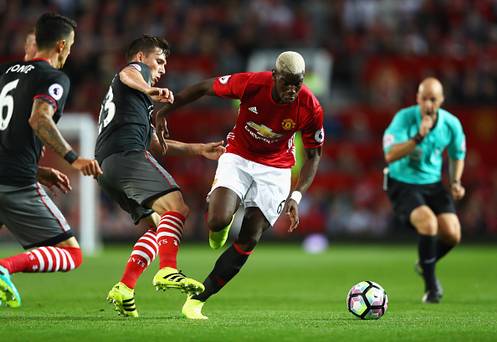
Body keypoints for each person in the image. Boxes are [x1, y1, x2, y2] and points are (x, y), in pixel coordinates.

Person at [155, 51, 324, 319]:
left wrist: (297, 196)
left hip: (277, 169)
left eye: (298, 82)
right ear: (275, 75)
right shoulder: (251, 84)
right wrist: (164, 111)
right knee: (217, 220)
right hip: (239, 156)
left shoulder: (310, 107)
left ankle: (198, 299)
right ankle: (219, 226)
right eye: (287, 82)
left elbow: (314, 156)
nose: (292, 89)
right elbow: (202, 87)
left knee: (251, 235)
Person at [95, 35, 224, 317]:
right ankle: (167, 270)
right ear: (141, 57)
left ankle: (125, 287)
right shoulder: (135, 74)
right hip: (126, 155)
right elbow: (127, 71)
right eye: (159, 61)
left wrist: (200, 148)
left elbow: (156, 145)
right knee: (177, 207)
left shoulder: (136, 100)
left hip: (107, 167)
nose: (162, 69)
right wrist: (149, 89)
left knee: (157, 228)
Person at [0, 13, 102, 308]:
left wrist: (39, 169)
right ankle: (5, 267)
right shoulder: (53, 77)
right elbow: (39, 118)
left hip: (10, 171)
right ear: (60, 45)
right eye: (70, 46)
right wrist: (73, 158)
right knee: (72, 254)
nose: (70, 52)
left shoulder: (8, 73)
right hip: (16, 185)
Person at [383, 77, 466, 303]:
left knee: (452, 233)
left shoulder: (451, 124)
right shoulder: (404, 119)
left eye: (433, 99)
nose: (428, 105)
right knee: (429, 223)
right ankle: (431, 288)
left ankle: (424, 262)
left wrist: (456, 181)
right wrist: (418, 136)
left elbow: (457, 155)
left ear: (442, 100)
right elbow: (390, 155)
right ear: (417, 98)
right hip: (403, 183)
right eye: (424, 99)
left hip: (432, 184)